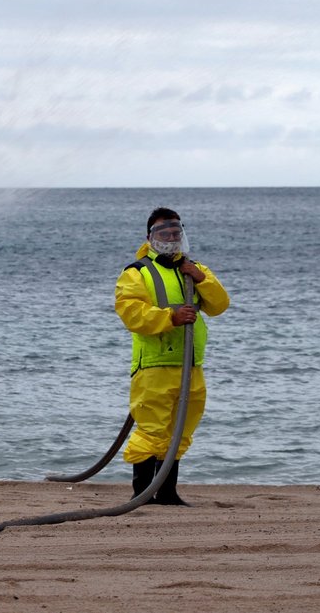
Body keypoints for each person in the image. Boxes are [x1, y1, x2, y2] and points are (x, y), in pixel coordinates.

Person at [114, 207, 229, 505]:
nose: (171, 237)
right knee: (152, 429)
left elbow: (219, 305)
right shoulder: (137, 272)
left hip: (190, 364)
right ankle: (141, 493)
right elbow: (131, 313)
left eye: (175, 232)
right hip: (154, 364)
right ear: (150, 237)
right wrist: (171, 317)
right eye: (163, 232)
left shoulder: (194, 269)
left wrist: (201, 279)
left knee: (180, 430)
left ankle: (166, 492)